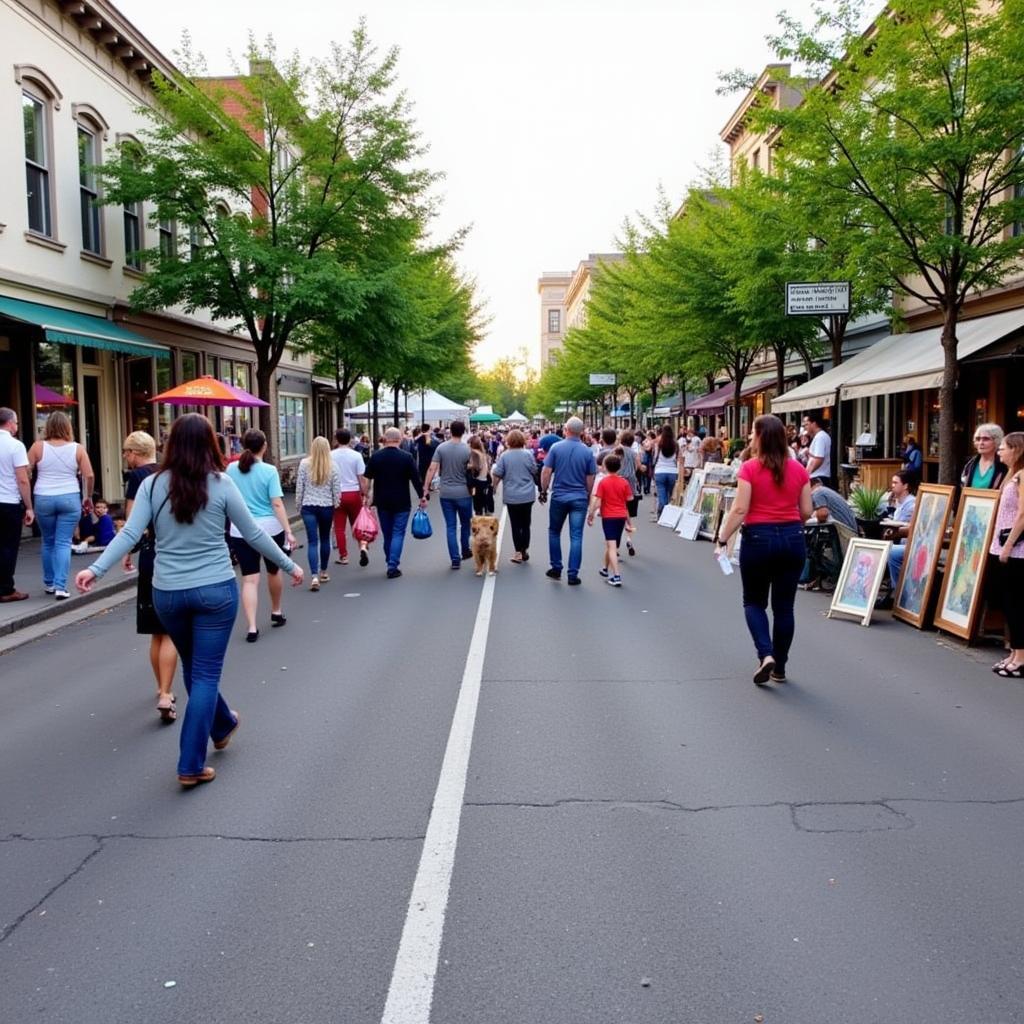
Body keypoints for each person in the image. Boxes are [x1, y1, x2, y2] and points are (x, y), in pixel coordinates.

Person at [76, 414, 302, 787]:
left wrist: (96, 570)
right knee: (206, 674)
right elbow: (254, 535)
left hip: (167, 594)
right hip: (215, 590)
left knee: (195, 667)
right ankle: (190, 764)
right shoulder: (222, 484)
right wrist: (288, 563)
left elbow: (130, 531)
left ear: (171, 445)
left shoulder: (151, 486)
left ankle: (224, 723)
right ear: (211, 445)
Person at [717, 414, 812, 686]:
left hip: (758, 538)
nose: (749, 438)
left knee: (754, 601)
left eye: (752, 434)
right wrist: (790, 525)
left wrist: (723, 538)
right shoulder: (799, 470)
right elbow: (806, 510)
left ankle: (765, 654)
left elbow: (740, 508)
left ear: (760, 437)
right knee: (785, 608)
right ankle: (780, 667)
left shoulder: (749, 468)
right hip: (793, 539)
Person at [119, 430, 179, 722]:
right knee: (169, 630)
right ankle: (167, 691)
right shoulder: (168, 473)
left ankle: (161, 689)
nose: (126, 458)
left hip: (150, 553)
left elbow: (133, 520)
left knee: (156, 629)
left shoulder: (138, 478)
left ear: (134, 451)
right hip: (170, 553)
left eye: (126, 452)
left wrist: (127, 549)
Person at [226, 430, 295, 642]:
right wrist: (289, 531)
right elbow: (276, 503)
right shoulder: (269, 471)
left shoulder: (231, 469)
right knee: (273, 571)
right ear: (264, 446)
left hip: (240, 529)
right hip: (269, 528)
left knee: (249, 578)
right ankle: (276, 610)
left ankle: (252, 626)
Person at [28, 410, 94, 600]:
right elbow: (89, 474)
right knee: (63, 542)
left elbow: (26, 470)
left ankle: (48, 582)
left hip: (44, 497)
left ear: (48, 427)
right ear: (68, 427)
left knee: (48, 541)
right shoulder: (78, 449)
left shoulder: (37, 447)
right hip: (69, 496)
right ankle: (60, 586)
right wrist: (87, 496)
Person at [540, 416, 596, 586]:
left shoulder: (556, 448)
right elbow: (591, 477)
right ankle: (573, 574)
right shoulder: (587, 451)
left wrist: (543, 490)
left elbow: (546, 471)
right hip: (579, 497)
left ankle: (556, 567)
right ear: (581, 432)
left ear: (567, 429)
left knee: (554, 532)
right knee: (576, 536)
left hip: (559, 496)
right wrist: (587, 495)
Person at [363, 426, 424, 579]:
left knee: (388, 534)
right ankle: (393, 564)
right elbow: (416, 479)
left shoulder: (376, 457)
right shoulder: (406, 457)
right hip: (401, 501)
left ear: (385, 438)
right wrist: (422, 496)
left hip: (382, 501)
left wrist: (365, 496)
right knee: (398, 533)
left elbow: (366, 479)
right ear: (400, 439)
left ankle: (389, 559)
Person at [990, 432, 1024, 677]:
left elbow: (1023, 516)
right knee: (1007, 603)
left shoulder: (1022, 476)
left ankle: (1021, 657)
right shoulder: (1010, 475)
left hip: (1017, 551)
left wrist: (1008, 546)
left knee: (1016, 604)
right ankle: (1015, 652)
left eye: (1003, 447)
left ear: (1016, 449)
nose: (999, 451)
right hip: (1002, 547)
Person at [422, 420, 473, 569]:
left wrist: (426, 488)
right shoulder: (467, 449)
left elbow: (432, 468)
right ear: (463, 432)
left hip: (446, 492)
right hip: (464, 492)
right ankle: (465, 549)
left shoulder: (441, 448)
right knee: (465, 524)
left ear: (450, 431)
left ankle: (454, 558)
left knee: (450, 526)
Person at [296, 436, 341, 591]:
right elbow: (336, 489)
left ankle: (314, 575)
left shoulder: (304, 464)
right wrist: (336, 503)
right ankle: (324, 571)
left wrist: (298, 505)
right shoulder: (333, 466)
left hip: (308, 506)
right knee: (325, 538)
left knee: (312, 541)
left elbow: (299, 487)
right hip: (326, 506)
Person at [0, 407, 34, 602]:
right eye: (17, 422)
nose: (17, 426)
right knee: (8, 547)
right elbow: (22, 479)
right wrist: (29, 506)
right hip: (8, 501)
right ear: (10, 423)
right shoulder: (15, 445)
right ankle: (5, 588)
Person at [491, 428, 539, 563]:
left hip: (512, 494)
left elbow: (497, 474)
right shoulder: (528, 454)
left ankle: (518, 551)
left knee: (515, 524)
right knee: (526, 523)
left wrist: (494, 487)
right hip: (527, 494)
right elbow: (534, 470)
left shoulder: (505, 456)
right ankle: (525, 549)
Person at [586, 452, 633, 587]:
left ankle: (616, 575)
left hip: (609, 516)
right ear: (619, 467)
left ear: (605, 466)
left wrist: (591, 514)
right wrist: (629, 522)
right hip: (621, 516)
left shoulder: (603, 482)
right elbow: (628, 500)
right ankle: (605, 569)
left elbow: (598, 501)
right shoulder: (624, 482)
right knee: (612, 544)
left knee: (611, 546)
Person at [330, 429, 369, 567]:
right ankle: (363, 547)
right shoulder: (356, 456)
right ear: (350, 439)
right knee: (358, 524)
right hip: (354, 493)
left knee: (339, 527)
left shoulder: (330, 455)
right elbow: (361, 478)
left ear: (336, 439)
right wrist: (365, 494)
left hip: (338, 494)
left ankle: (343, 556)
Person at [882, 471, 918, 599]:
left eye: (895, 482)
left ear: (905, 486)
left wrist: (895, 530)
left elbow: (913, 527)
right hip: (901, 542)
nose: (892, 485)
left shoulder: (912, 504)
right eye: (892, 482)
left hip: (909, 544)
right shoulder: (899, 502)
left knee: (890, 552)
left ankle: (897, 593)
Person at [961, 423, 1007, 490]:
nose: (981, 443)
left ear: (997, 441)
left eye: (986, 439)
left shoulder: (1004, 465)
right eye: (978, 439)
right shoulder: (969, 463)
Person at [652, 424, 681, 516]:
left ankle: (662, 509)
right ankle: (666, 511)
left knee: (661, 492)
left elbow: (655, 458)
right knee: (669, 493)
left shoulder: (659, 444)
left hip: (660, 471)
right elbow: (679, 458)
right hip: (672, 471)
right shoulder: (676, 444)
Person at [804, 411, 833, 488]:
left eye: (808, 424)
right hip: (819, 476)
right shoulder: (821, 436)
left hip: (818, 477)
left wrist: (807, 473)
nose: (806, 427)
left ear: (814, 424)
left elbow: (819, 458)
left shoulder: (820, 437)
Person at [467, 434, 494, 514]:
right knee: (484, 503)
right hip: (485, 480)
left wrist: (465, 466)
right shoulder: (483, 454)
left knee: (477, 505)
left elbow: (476, 466)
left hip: (477, 482)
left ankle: (479, 522)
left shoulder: (474, 453)